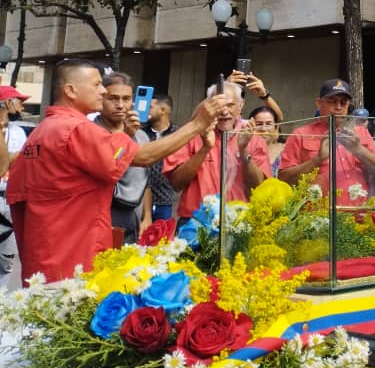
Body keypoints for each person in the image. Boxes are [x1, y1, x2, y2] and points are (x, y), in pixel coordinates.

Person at [7, 58, 224, 282]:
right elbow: (143, 156)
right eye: (96, 84)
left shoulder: (43, 130)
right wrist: (197, 125)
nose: (102, 91)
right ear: (70, 90)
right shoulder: (74, 129)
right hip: (73, 258)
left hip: (45, 254)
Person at [164, 80, 270, 220]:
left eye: (230, 105)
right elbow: (176, 184)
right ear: (208, 106)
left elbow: (259, 187)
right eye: (218, 105)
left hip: (239, 222)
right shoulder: (191, 134)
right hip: (196, 221)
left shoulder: (254, 138)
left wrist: (244, 150)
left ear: (241, 106)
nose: (224, 111)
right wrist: (204, 149)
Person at [277, 79, 375, 203]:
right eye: (332, 101)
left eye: (343, 102)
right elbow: (284, 179)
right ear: (319, 103)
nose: (338, 107)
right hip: (318, 217)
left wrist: (359, 150)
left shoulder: (361, 132)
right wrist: (317, 160)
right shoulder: (301, 134)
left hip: (359, 214)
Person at [93, 72, 149, 245]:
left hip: (135, 220)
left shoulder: (141, 136)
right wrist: (126, 136)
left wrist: (147, 216)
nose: (120, 105)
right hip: (102, 219)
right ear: (101, 99)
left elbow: (146, 181)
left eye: (126, 99)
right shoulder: (91, 132)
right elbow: (108, 168)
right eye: (113, 98)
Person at [0, 85, 29, 289]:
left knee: (7, 262)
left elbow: (23, 160)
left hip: (8, 201)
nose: (22, 108)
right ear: (8, 103)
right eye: (19, 102)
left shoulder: (18, 132)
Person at [142, 93, 177, 227]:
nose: (146, 110)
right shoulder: (140, 133)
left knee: (162, 241)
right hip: (140, 200)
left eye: (150, 107)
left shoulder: (177, 134)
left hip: (165, 200)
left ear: (163, 110)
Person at [248, 106, 284, 176]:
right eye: (259, 124)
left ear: (276, 127)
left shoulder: (286, 150)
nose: (263, 128)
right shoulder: (244, 150)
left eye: (268, 124)